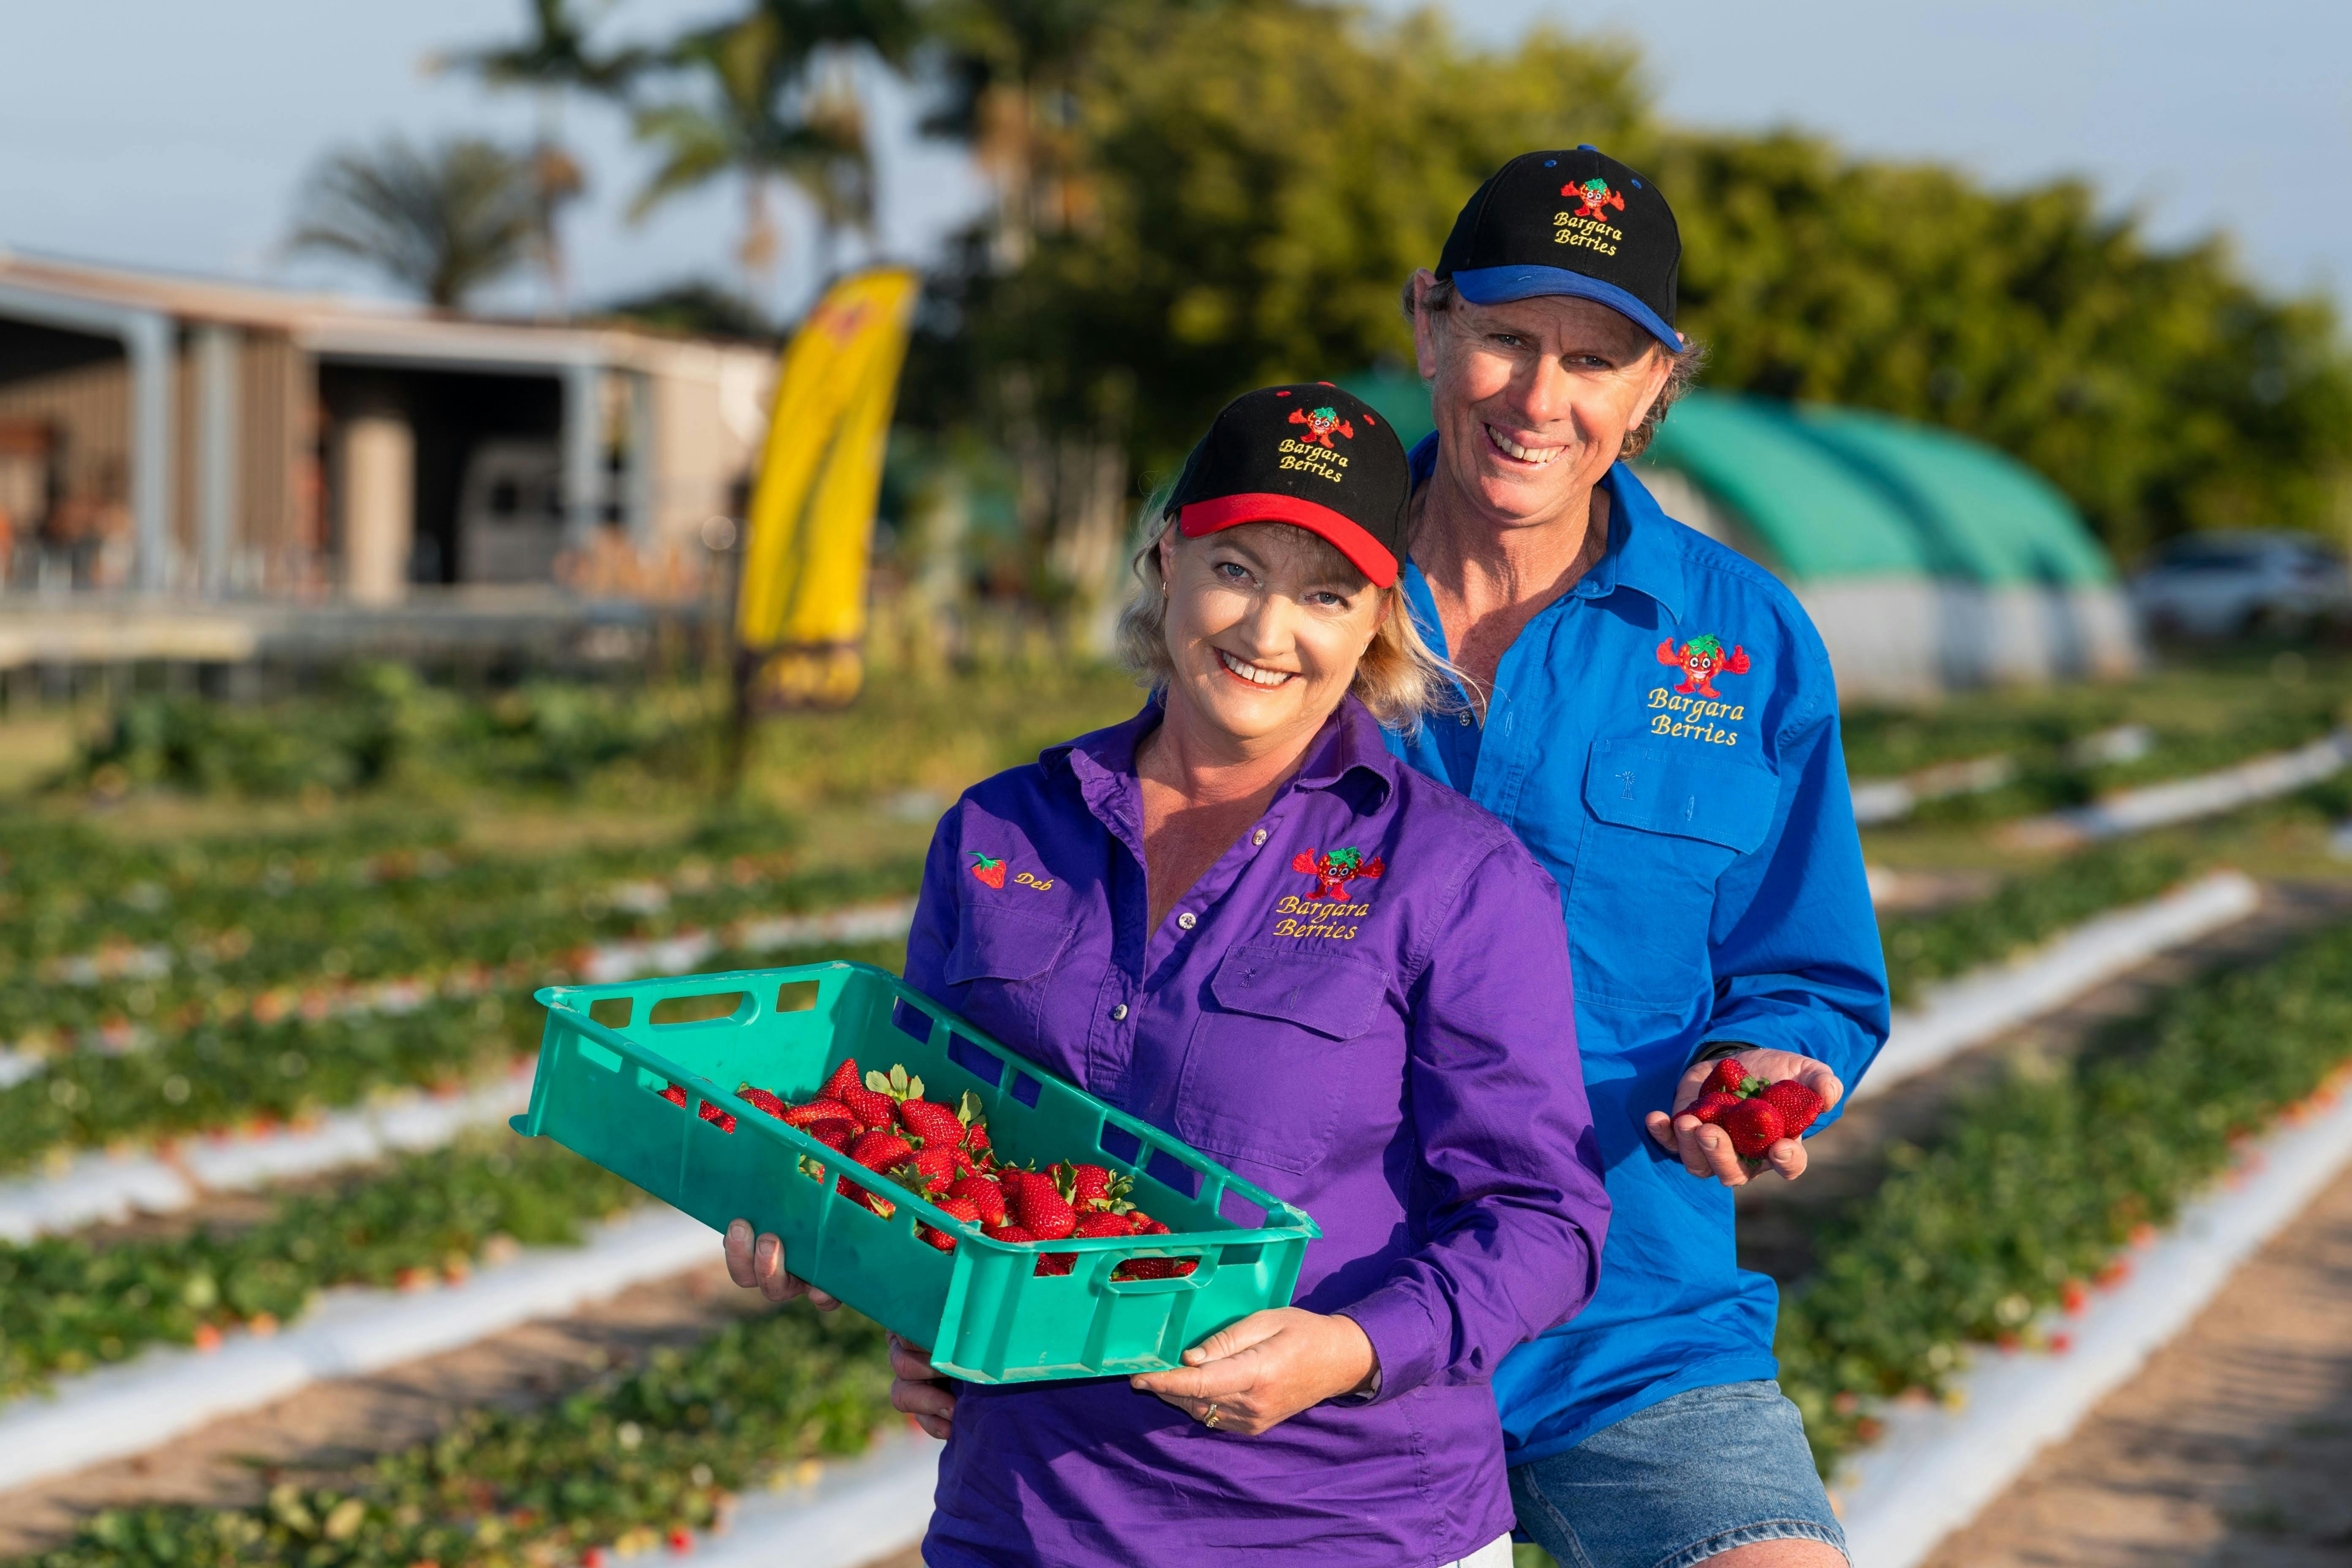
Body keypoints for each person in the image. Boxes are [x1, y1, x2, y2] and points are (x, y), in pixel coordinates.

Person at [724, 384, 1611, 1566]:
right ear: (1166, 558)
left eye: (1325, 595)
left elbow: (1546, 1219)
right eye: (1237, 568)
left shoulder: (1454, 876)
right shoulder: (1002, 833)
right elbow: (929, 1144)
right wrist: (845, 1244)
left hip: (1344, 1527)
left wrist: (1345, 1350)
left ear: (1378, 622)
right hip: (1028, 1518)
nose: (1266, 630)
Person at [1388, 148, 1891, 1567]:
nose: (1541, 401)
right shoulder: (1311, 600)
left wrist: (1772, 1070)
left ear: (1654, 388)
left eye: (1597, 360)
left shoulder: (1743, 640)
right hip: (1335, 1302)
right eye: (1504, 339)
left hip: (1631, 1314)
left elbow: (1807, 970)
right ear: (1431, 324)